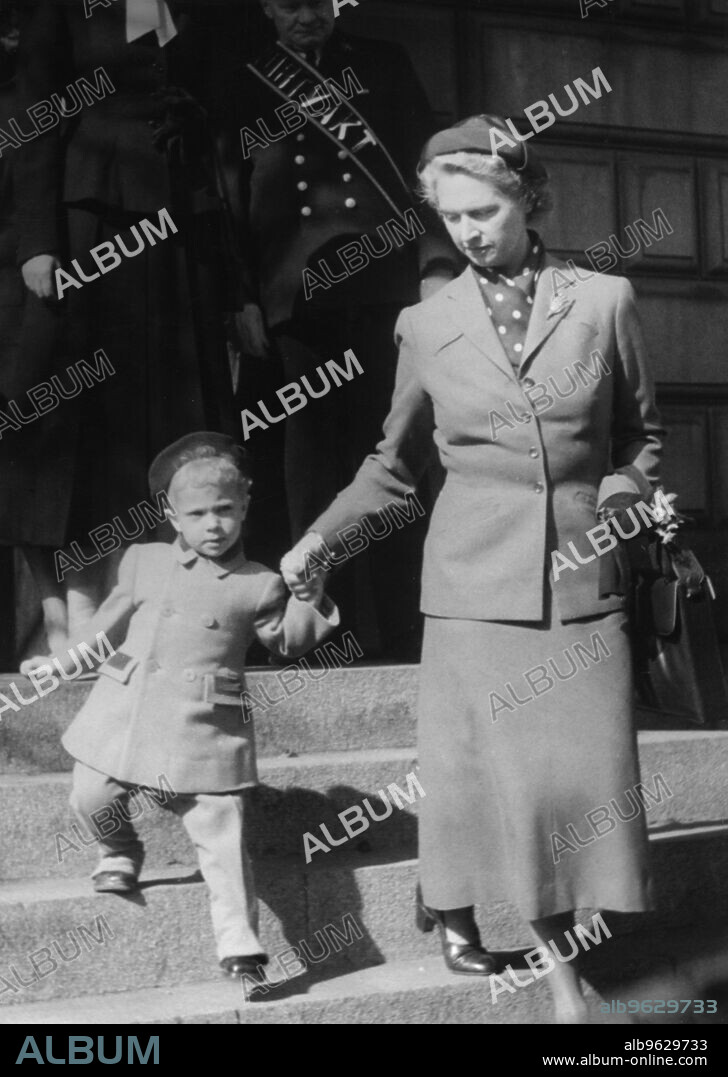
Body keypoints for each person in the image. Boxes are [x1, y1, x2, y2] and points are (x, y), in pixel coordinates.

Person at [280, 116, 665, 1022]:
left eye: (486, 210)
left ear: (530, 199)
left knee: (581, 790)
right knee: (519, 794)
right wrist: (317, 541)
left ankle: (522, 924)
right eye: (452, 218)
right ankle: (565, 989)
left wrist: (621, 495)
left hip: (583, 578)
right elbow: (393, 464)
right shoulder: (425, 322)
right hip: (472, 596)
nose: (470, 231)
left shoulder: (606, 299)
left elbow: (641, 440)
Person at [23, 432, 338, 978]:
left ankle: (239, 945)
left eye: (224, 511)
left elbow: (286, 642)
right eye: (197, 513)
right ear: (171, 515)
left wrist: (311, 596)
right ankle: (120, 850)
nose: (212, 525)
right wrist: (60, 663)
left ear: (244, 507)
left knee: (220, 828)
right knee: (91, 794)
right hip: (127, 706)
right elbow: (104, 626)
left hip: (202, 722)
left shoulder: (258, 583)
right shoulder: (142, 561)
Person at [225, 0, 459, 659]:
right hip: (295, 295)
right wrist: (241, 297)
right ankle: (328, 632)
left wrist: (435, 265)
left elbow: (426, 172)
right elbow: (227, 192)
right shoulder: (246, 78)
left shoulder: (382, 65)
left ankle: (405, 626)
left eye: (319, 4)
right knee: (309, 464)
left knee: (393, 451)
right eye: (293, 5)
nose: (309, 17)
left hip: (381, 287)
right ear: (268, 9)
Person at [14, 0, 240, 659]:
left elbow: (225, 122)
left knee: (175, 408)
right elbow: (35, 115)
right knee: (92, 414)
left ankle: (171, 605)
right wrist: (38, 241)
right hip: (94, 222)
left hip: (181, 224)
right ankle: (83, 610)